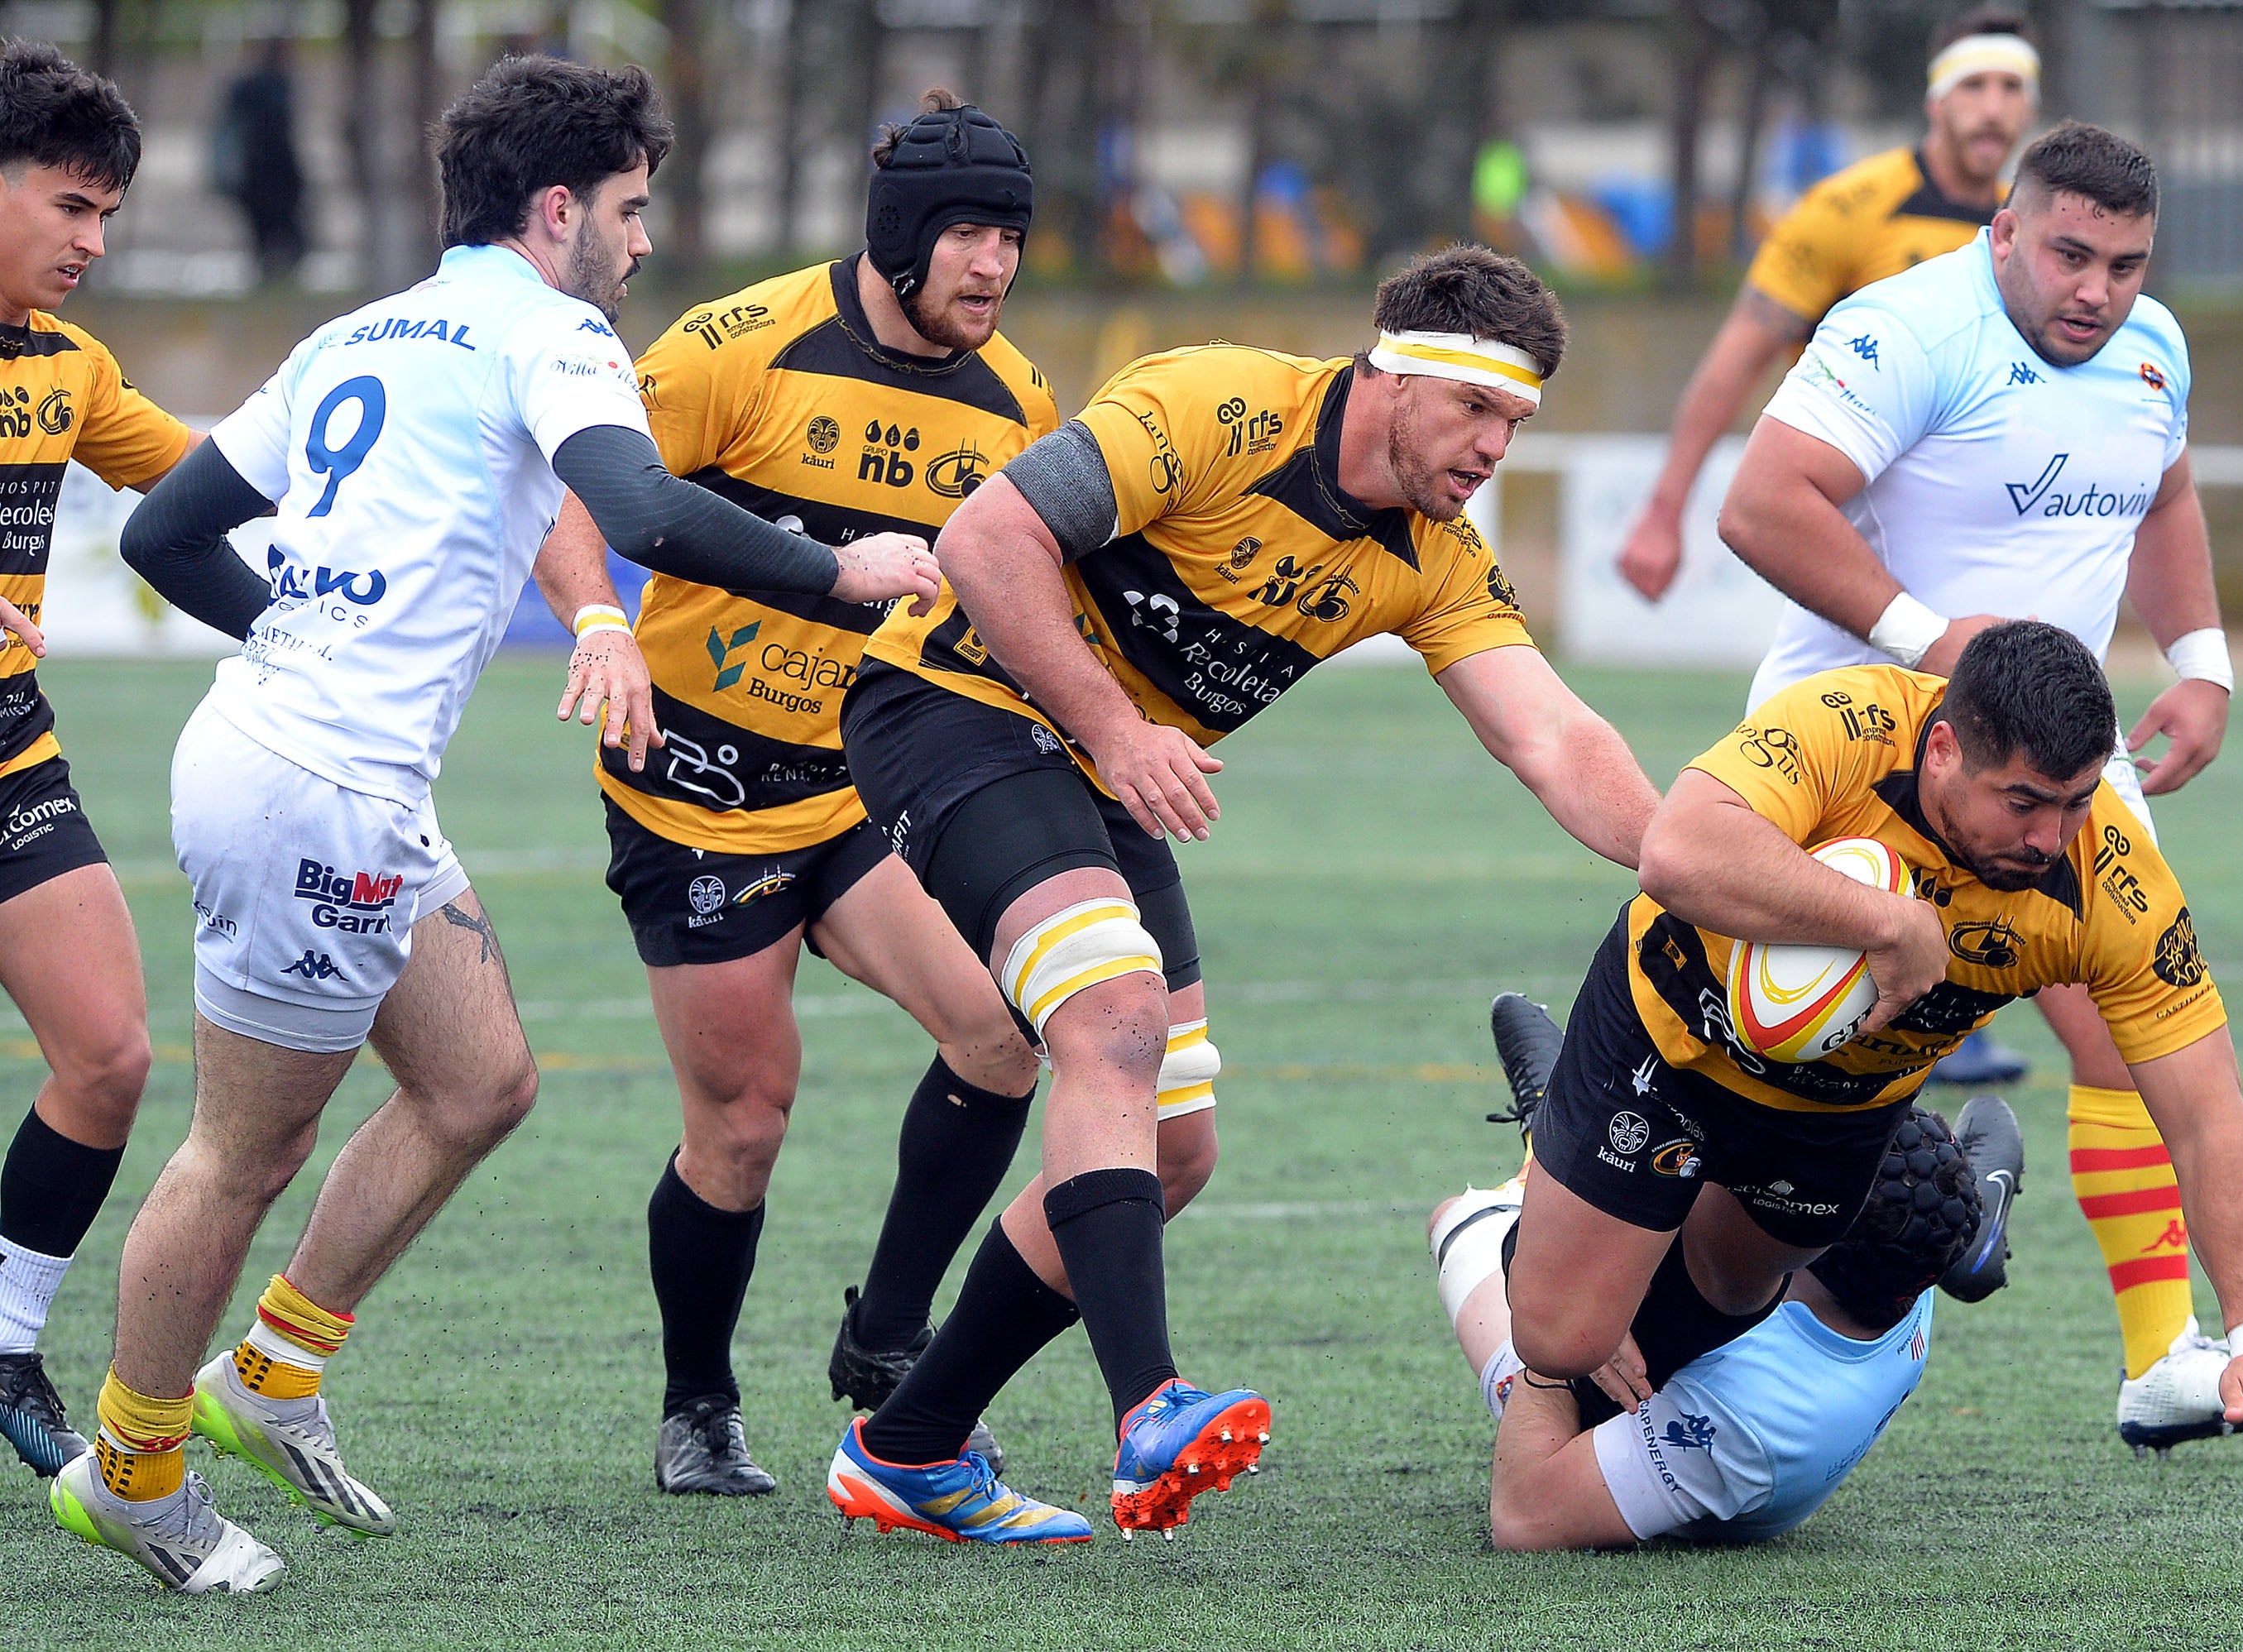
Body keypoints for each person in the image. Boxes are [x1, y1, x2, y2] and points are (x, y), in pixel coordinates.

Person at [49, 56, 940, 1595]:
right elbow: (648, 510)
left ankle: (269, 1377)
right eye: (631, 209)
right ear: (556, 211)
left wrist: (290, 640)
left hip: (312, 765)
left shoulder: (363, 329)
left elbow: (163, 531)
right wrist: (842, 571)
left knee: (479, 1081)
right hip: (315, 785)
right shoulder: (552, 329)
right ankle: (130, 1469)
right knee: (241, 1150)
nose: (643, 242)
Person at [822, 245, 1661, 1543]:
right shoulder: (1217, 404)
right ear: (1394, 377)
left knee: (1171, 1149)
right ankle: (1149, 1403)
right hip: (955, 704)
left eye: (1518, 422)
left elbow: (1550, 736)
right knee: (1111, 1021)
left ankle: (910, 1444)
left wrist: (1689, 867)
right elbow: (987, 537)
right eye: (1480, 410)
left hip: (1107, 766)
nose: (1498, 446)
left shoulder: (1430, 553)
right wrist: (1114, 729)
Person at [531, 89, 1052, 1496]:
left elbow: (1033, 590)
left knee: (1002, 1035)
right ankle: (695, 1403)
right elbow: (567, 496)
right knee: (745, 1124)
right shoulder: (737, 347)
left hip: (861, 787)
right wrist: (598, 623)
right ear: (897, 236)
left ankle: (886, 1341)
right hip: (694, 788)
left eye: (1011, 237)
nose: (994, 265)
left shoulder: (1017, 404)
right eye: (967, 236)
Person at [1502, 621, 2243, 1477]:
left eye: (2078, 799)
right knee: (1561, 1337)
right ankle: (1553, 1151)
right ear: (1942, 747)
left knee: (1726, 1291)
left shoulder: (2114, 889)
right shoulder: (1846, 723)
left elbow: (2209, 1119)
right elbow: (1675, 850)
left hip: (1839, 1110)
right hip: (1670, 1036)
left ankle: (1619, 1193)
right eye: (2022, 801)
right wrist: (1885, 921)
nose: (2048, 836)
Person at [1715, 123, 2243, 1448]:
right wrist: (1940, 650)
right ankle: (1551, 1214)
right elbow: (1764, 502)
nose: (2099, 289)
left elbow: (2164, 494)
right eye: (2070, 253)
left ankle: (2160, 1359)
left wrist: (2200, 662)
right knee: (1780, 1067)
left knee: (2127, 1029)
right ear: (2003, 229)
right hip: (1869, 761)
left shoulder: (2154, 346)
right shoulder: (1904, 329)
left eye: (2127, 263)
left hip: (2056, 770)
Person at [1615, 5, 2039, 1095]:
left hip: (1987, 565)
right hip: (1858, 570)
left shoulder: (2045, 237)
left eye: (2012, 89)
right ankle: (1717, 989)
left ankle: (1946, 993)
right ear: (1938, 99)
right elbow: (1738, 356)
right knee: (1818, 786)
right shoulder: (1851, 209)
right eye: (1975, 87)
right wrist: (1665, 506)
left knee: (1998, 784)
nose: (1995, 109)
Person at [1431, 996, 1996, 1549]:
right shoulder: (1906, 1255)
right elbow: (1946, 1167)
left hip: (1691, 1450)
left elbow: (1525, 1515)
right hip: (1844, 1304)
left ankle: (1549, 1140)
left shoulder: (1748, 1411)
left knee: (1463, 1224)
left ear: (1805, 1243)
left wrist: (1562, 1348)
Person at [0, 41, 205, 1482]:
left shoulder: (66, 365)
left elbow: (207, 481)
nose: (92, 242)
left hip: (10, 751)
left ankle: (3, 1338)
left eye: (107, 217)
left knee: (110, 1052)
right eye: (72, 206)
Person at [213, 37, 308, 284]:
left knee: (264, 236)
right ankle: (277, 279)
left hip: (251, 177)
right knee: (286, 235)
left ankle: (269, 277)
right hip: (270, 176)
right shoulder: (275, 88)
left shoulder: (244, 88)